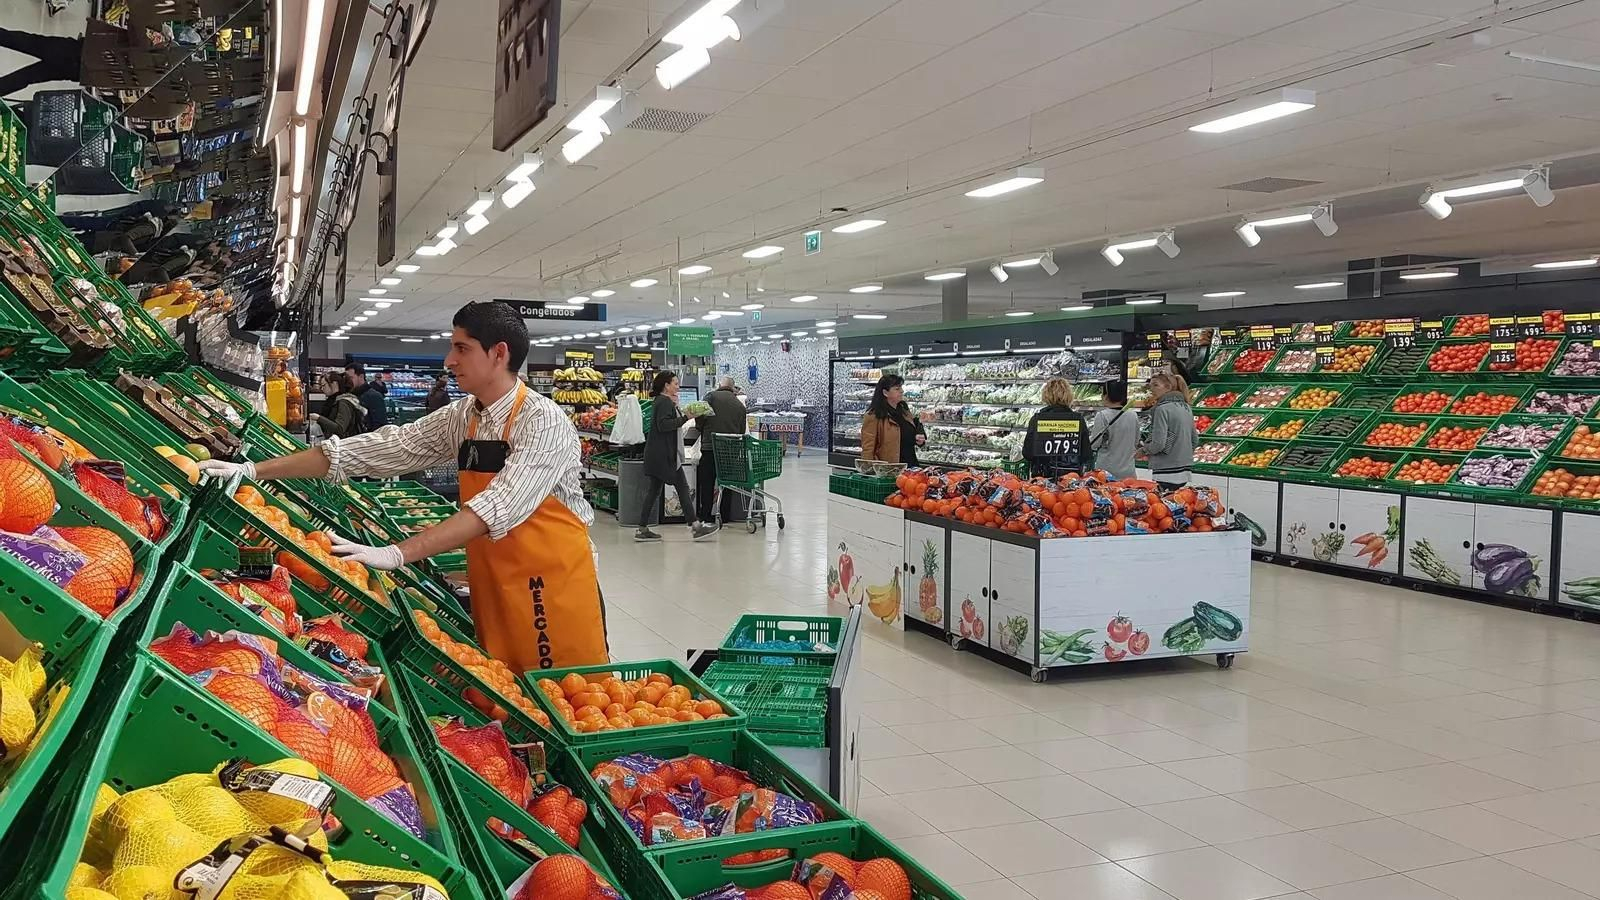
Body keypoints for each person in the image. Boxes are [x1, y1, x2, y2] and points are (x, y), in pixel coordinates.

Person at [197, 301, 608, 672]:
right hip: (494, 579)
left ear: (498, 354)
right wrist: (253, 471)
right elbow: (385, 447)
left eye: (462, 348)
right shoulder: (465, 415)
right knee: (508, 694)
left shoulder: (543, 422)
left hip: (550, 590)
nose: (449, 360)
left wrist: (398, 554)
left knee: (566, 698)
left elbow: (495, 507)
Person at [635, 371, 720, 542]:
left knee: (655, 491)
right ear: (666, 385)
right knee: (682, 488)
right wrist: (686, 417)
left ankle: (642, 529)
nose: (677, 386)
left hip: (659, 454)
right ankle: (696, 527)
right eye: (675, 383)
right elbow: (664, 425)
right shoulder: (664, 402)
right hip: (664, 456)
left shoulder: (662, 401)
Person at [695, 376, 747, 524]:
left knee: (707, 482)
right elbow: (742, 431)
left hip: (710, 447)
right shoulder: (740, 406)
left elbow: (700, 414)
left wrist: (700, 428)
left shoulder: (711, 396)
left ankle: (705, 514)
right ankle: (724, 515)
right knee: (726, 483)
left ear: (719, 385)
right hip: (730, 450)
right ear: (733, 388)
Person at [1021, 378, 1092, 478]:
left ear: (1046, 395)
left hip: (1042, 478)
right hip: (1071, 478)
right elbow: (1086, 455)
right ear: (1069, 395)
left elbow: (1028, 453)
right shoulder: (1078, 420)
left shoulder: (1037, 419)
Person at [1144, 372, 1197, 491]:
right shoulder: (1186, 407)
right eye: (1150, 385)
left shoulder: (1161, 409)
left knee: (1164, 505)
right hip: (1184, 470)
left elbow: (1158, 444)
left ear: (1168, 387)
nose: (1151, 389)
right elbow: (1194, 439)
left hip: (1166, 470)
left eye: (1155, 385)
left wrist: (1144, 450)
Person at [859, 374, 924, 465]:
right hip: (889, 469)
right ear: (885, 393)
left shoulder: (903, 409)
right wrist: (870, 470)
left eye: (901, 387)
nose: (902, 391)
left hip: (911, 466)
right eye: (897, 389)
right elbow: (868, 449)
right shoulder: (874, 415)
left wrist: (918, 438)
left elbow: (910, 431)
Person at [1090, 381, 1140, 481]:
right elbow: (1136, 441)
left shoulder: (1102, 416)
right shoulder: (1133, 415)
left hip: (1107, 471)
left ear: (1106, 396)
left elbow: (1094, 444)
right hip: (1128, 471)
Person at [310, 374, 367, 440]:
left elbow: (340, 429)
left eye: (323, 385)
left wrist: (318, 418)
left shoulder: (344, 402)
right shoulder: (333, 401)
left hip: (344, 444)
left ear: (334, 384)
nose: (322, 389)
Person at [345, 363, 389, 429]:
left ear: (361, 376)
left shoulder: (374, 396)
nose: (347, 381)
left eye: (351, 378)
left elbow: (380, 425)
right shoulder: (349, 395)